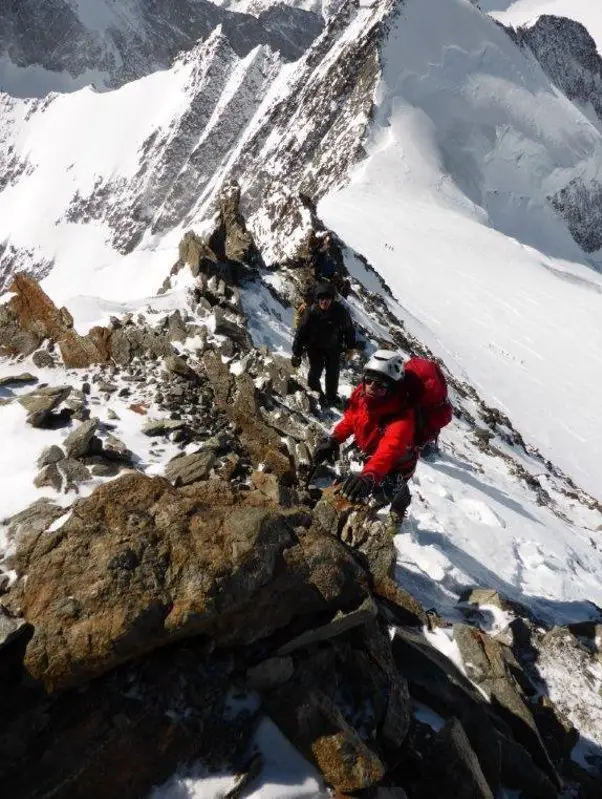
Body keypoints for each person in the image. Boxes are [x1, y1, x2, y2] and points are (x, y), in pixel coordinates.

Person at [311, 350, 418, 522]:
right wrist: (334, 439)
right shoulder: (362, 396)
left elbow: (389, 450)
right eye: (368, 380)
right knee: (370, 488)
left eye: (381, 385)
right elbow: (352, 418)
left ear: (392, 389)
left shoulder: (402, 418)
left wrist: (369, 477)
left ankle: (400, 503)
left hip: (398, 463)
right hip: (373, 454)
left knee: (385, 491)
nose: (372, 388)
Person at [291, 282, 356, 407]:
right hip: (315, 348)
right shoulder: (311, 312)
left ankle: (331, 398)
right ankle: (317, 395)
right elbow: (301, 332)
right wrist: (296, 353)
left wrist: (350, 347)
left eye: (327, 299)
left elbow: (349, 329)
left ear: (332, 299)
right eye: (321, 299)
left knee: (333, 374)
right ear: (317, 299)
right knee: (314, 373)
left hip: (334, 347)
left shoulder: (340, 311)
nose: (324, 302)